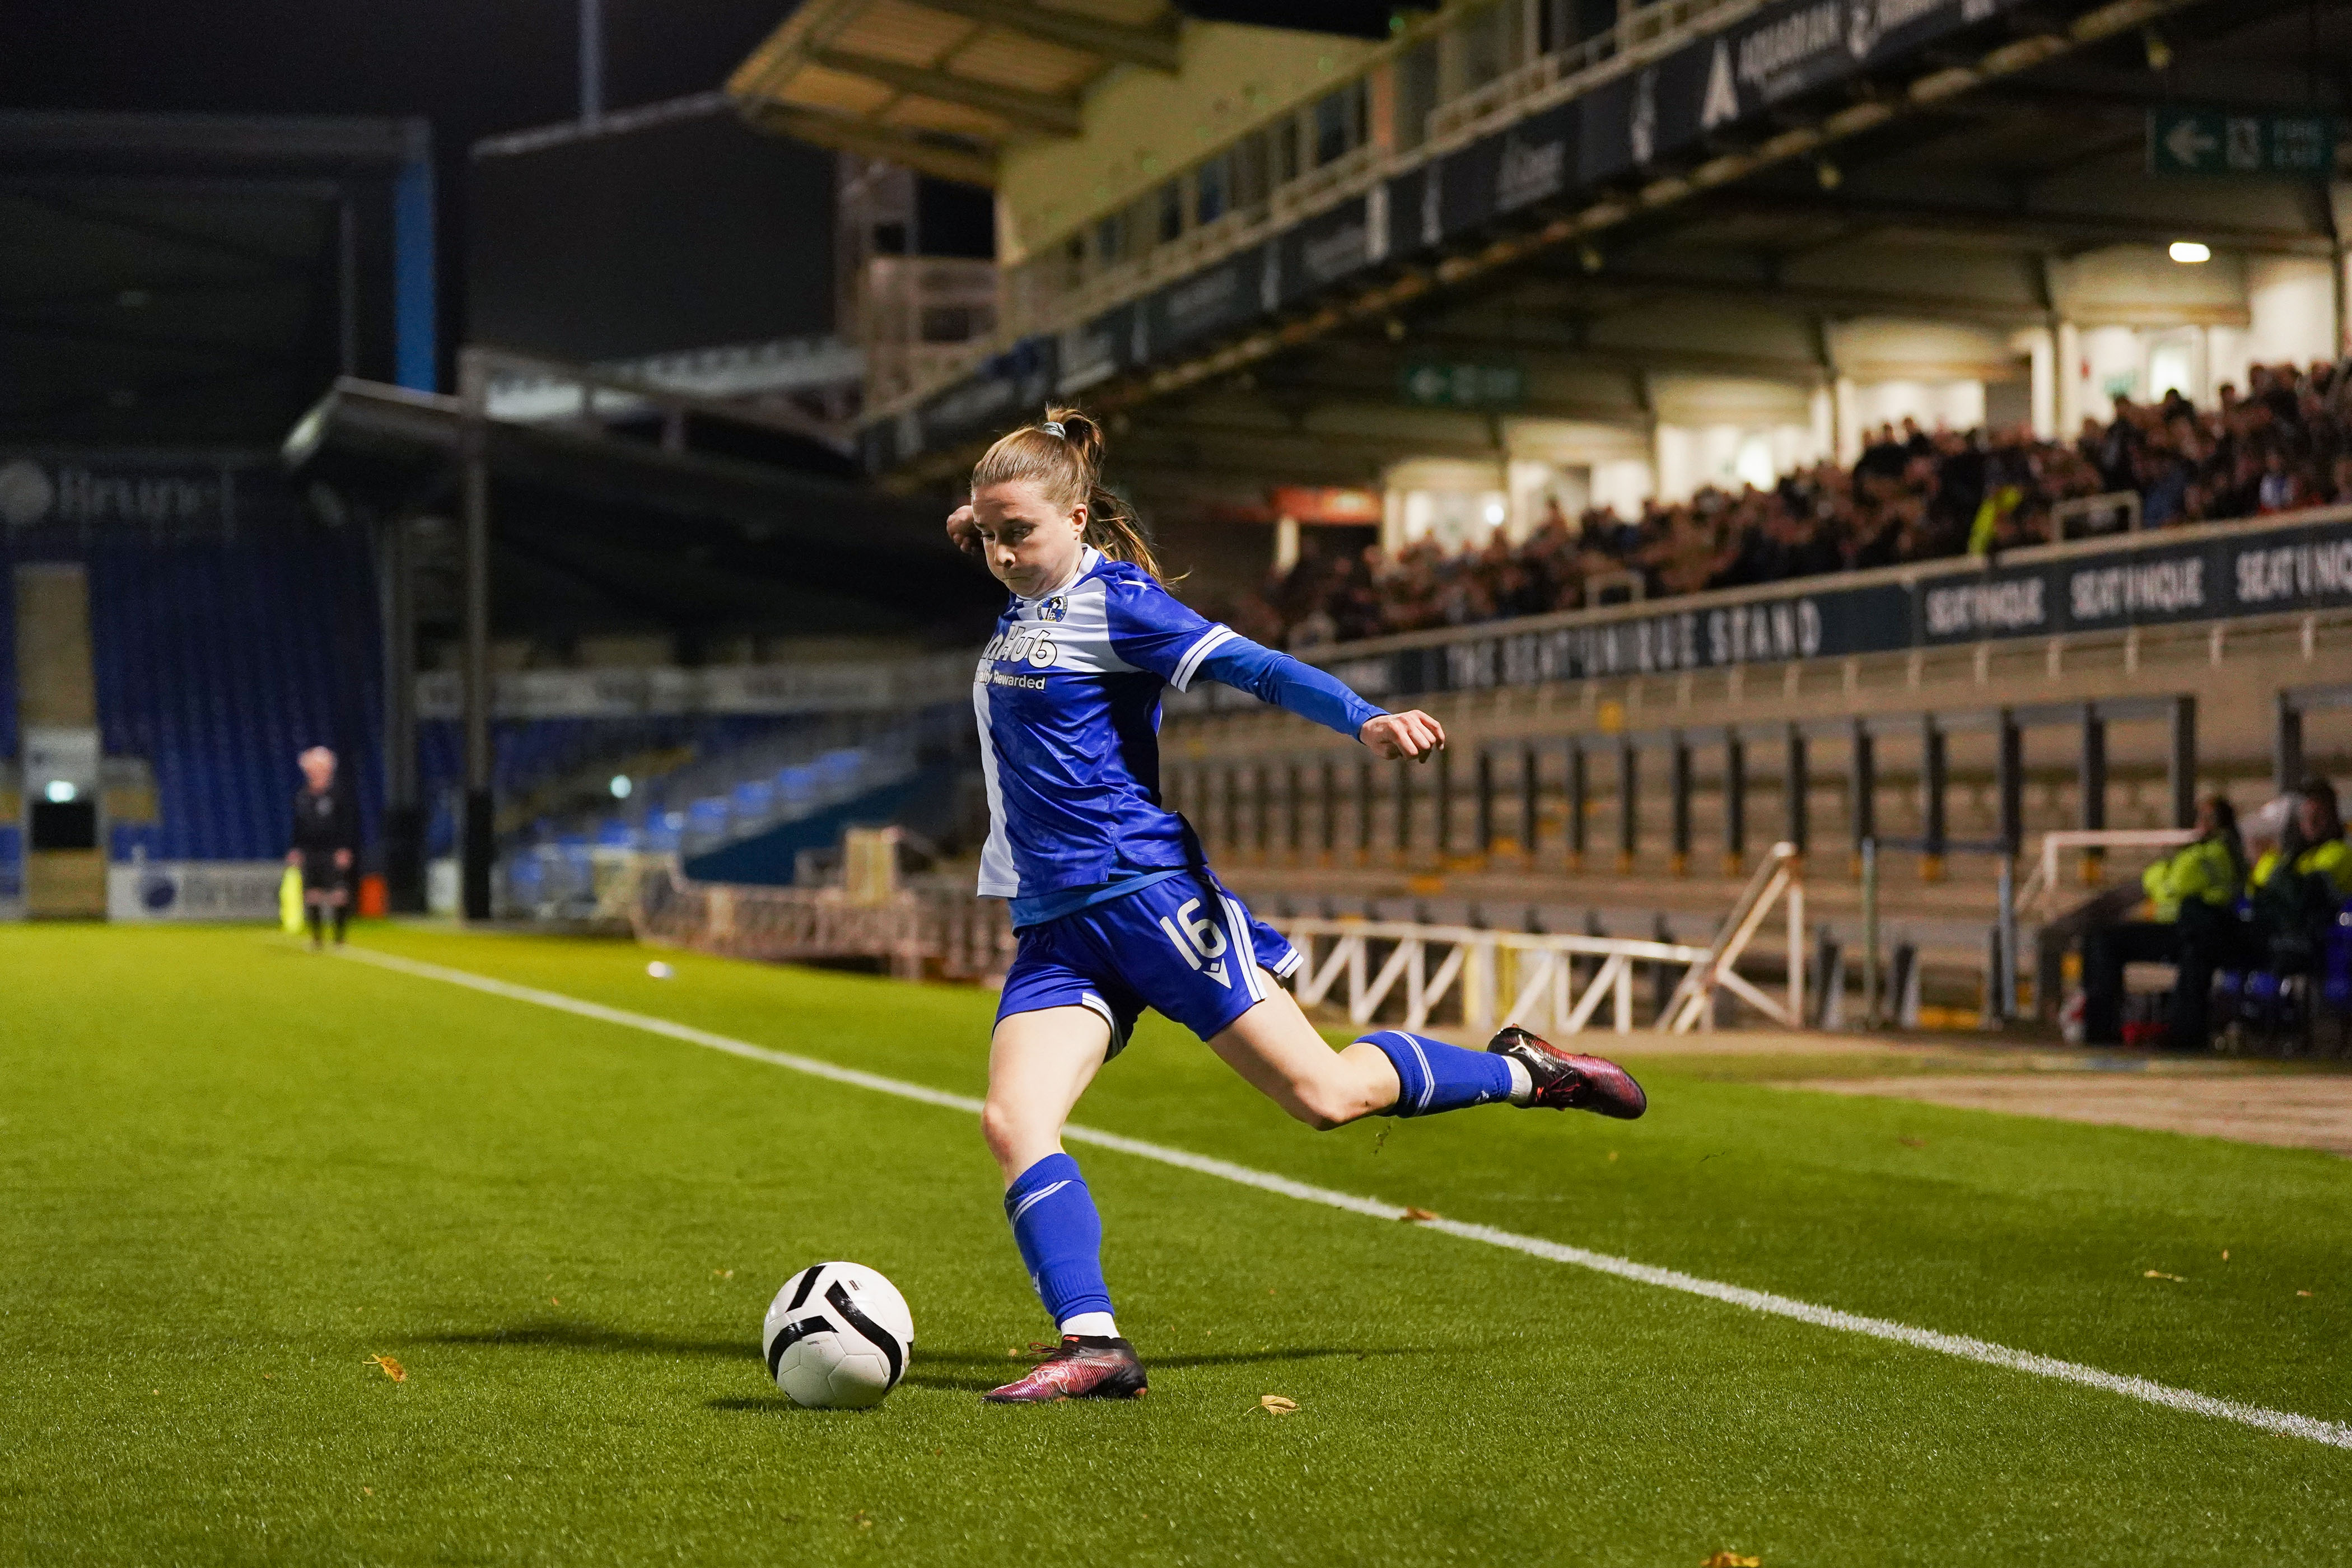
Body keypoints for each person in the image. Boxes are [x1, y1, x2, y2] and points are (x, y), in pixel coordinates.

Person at [945, 409, 1647, 1404]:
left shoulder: (1120, 604)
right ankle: (1096, 1345)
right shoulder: (1025, 592)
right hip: (1057, 925)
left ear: (1078, 517)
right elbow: (1003, 523)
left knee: (1324, 1097)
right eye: (986, 534)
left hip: (1147, 899)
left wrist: (1364, 720)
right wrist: (985, 520)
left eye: (1018, 530)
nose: (1002, 552)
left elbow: (1254, 666)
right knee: (1015, 1121)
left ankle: (1526, 1073)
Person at [2081, 796, 2244, 1051]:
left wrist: (2164, 879)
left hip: (2203, 930)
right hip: (2177, 928)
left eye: (2208, 817)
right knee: (2103, 940)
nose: (2201, 823)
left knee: (2193, 952)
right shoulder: (2196, 852)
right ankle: (2100, 1031)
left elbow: (2173, 882)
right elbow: (2157, 878)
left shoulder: (2219, 853)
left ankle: (2181, 1036)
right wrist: (2164, 878)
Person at [287, 745, 359, 949]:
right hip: (310, 851)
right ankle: (317, 939)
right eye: (313, 766)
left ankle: (339, 939)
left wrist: (345, 848)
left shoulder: (339, 794)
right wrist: (296, 849)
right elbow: (297, 826)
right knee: (313, 894)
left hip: (333, 850)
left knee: (338, 894)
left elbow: (348, 823)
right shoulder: (302, 796)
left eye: (321, 766)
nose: (316, 770)